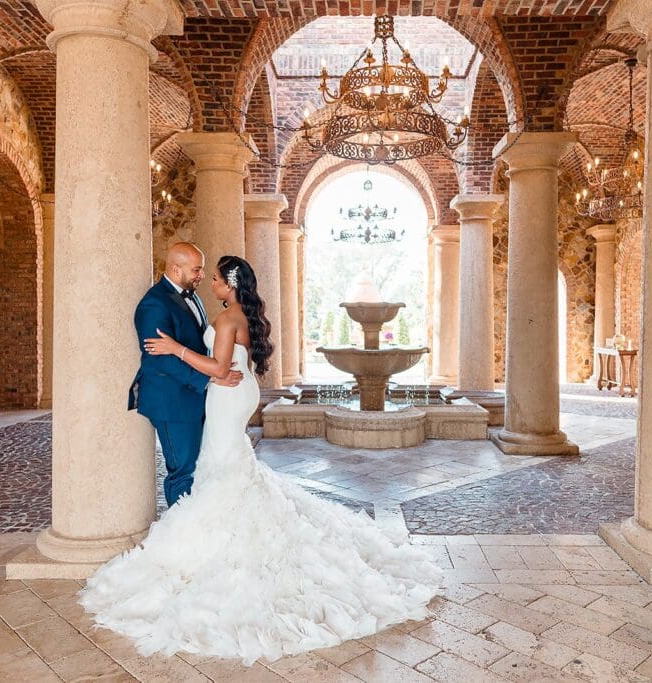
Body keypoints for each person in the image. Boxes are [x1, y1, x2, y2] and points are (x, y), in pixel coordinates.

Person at [82, 254, 441, 665]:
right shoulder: (242, 314)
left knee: (218, 463)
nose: (208, 282)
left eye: (213, 277)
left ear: (228, 284)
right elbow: (230, 366)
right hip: (240, 391)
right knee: (227, 464)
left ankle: (202, 543)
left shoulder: (225, 318)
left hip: (225, 393)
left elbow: (218, 368)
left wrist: (174, 348)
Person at [127, 242, 242, 507]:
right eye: (197, 270)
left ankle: (194, 530)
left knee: (197, 466)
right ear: (176, 269)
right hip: (171, 401)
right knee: (182, 470)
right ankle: (179, 539)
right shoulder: (153, 304)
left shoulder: (193, 296)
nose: (201, 275)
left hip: (193, 397)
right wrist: (210, 377)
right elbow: (160, 360)